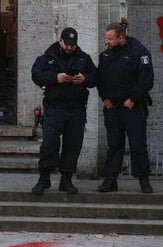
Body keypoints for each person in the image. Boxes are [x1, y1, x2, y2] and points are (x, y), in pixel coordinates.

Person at [30, 27, 98, 195]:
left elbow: (96, 78)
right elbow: (36, 75)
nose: (69, 48)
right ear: (60, 40)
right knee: (49, 144)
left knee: (73, 144)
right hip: (55, 108)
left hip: (76, 109)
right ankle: (44, 178)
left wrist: (84, 79)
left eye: (72, 45)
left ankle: (66, 179)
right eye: (66, 44)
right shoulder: (47, 58)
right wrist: (56, 78)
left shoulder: (84, 58)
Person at [95, 19, 155, 194]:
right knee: (114, 144)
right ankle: (110, 179)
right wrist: (104, 97)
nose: (107, 42)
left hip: (132, 107)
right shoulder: (105, 55)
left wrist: (133, 99)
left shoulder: (139, 52)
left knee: (137, 144)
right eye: (107, 39)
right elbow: (101, 79)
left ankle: (143, 179)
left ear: (121, 37)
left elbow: (146, 79)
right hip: (112, 107)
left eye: (111, 39)